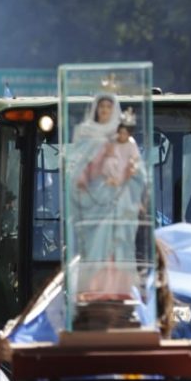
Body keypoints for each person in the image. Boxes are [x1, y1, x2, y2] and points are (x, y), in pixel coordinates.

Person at [67, 93, 146, 277]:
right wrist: (83, 176)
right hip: (93, 200)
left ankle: (116, 284)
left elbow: (138, 173)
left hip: (120, 201)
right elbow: (81, 166)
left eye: (109, 107)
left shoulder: (125, 140)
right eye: (102, 106)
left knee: (118, 241)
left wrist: (126, 176)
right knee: (95, 242)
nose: (104, 110)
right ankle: (94, 280)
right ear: (96, 109)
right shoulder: (85, 133)